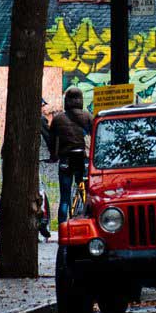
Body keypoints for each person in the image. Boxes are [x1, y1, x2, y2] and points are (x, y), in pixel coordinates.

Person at [48, 86, 93, 223]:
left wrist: (54, 155)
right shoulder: (88, 116)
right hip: (83, 159)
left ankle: (62, 225)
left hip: (65, 161)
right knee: (86, 193)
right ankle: (87, 218)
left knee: (65, 198)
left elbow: (52, 141)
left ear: (66, 100)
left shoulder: (58, 119)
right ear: (81, 100)